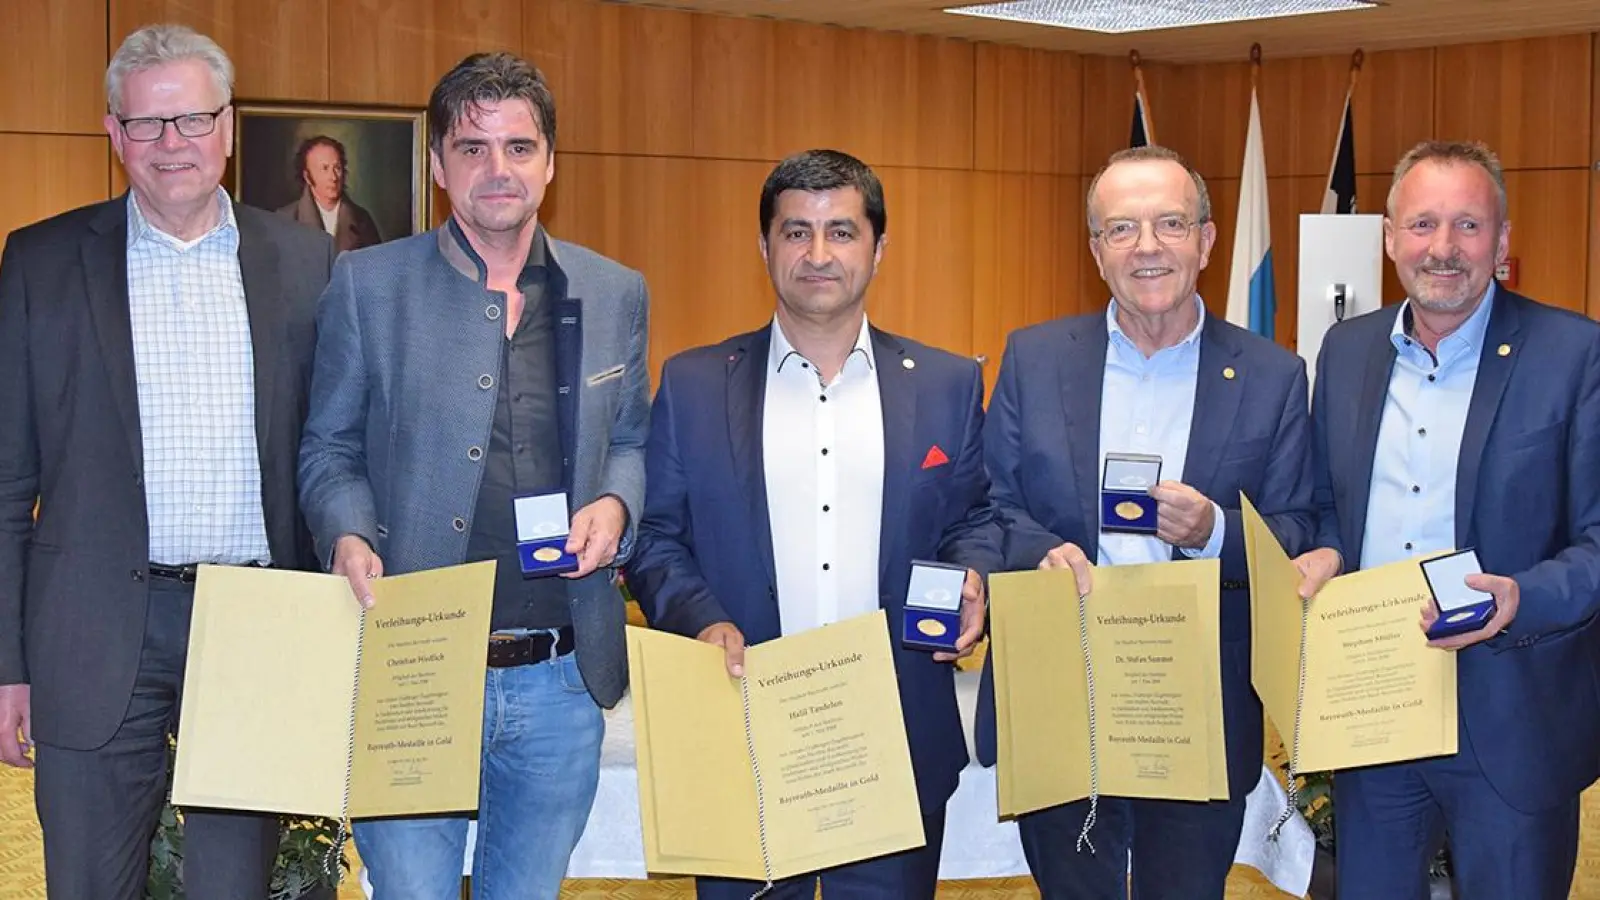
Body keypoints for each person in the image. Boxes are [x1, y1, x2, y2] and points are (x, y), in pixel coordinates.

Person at [296, 50, 650, 897]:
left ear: (552, 161)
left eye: (520, 148)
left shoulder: (612, 291)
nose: (499, 170)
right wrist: (345, 531)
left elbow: (634, 438)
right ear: (437, 164)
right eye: (473, 147)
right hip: (414, 666)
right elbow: (328, 448)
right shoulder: (367, 284)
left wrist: (616, 503)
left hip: (560, 674)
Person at [0, 23, 335, 899]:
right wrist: (7, 664)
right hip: (92, 625)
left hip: (253, 624)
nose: (171, 144)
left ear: (229, 125)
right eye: (146, 125)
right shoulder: (39, 262)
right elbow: (5, 486)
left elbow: (329, 447)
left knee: (233, 887)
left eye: (191, 120)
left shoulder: (306, 262)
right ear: (113, 134)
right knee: (86, 884)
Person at [625, 148, 1001, 899]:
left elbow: (977, 517)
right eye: (796, 233)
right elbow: (657, 536)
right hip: (744, 735)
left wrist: (973, 579)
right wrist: (701, 621)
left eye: (841, 232)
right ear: (764, 247)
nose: (818, 254)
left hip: (893, 744)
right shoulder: (696, 385)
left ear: (878, 247)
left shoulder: (947, 384)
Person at [974, 144, 1315, 899]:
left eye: (1169, 223)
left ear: (1207, 239)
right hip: (1062, 686)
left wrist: (1215, 533)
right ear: (1096, 251)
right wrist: (1039, 554)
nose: (1148, 246)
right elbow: (989, 502)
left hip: (1197, 699)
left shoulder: (1272, 375)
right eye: (1122, 229)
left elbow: (1300, 525)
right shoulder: (1033, 358)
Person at [1293, 139, 1600, 900]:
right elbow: (1332, 508)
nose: (1443, 248)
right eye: (1423, 224)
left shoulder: (1575, 354)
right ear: (1391, 238)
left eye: (1468, 226)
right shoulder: (1346, 351)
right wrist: (1326, 553)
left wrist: (1520, 597)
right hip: (1376, 710)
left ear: (1501, 241)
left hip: (1512, 716)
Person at [277, 134, 382, 251]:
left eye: (337, 168)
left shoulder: (362, 220)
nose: (333, 177)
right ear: (307, 176)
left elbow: (375, 266)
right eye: (325, 168)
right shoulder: (285, 219)